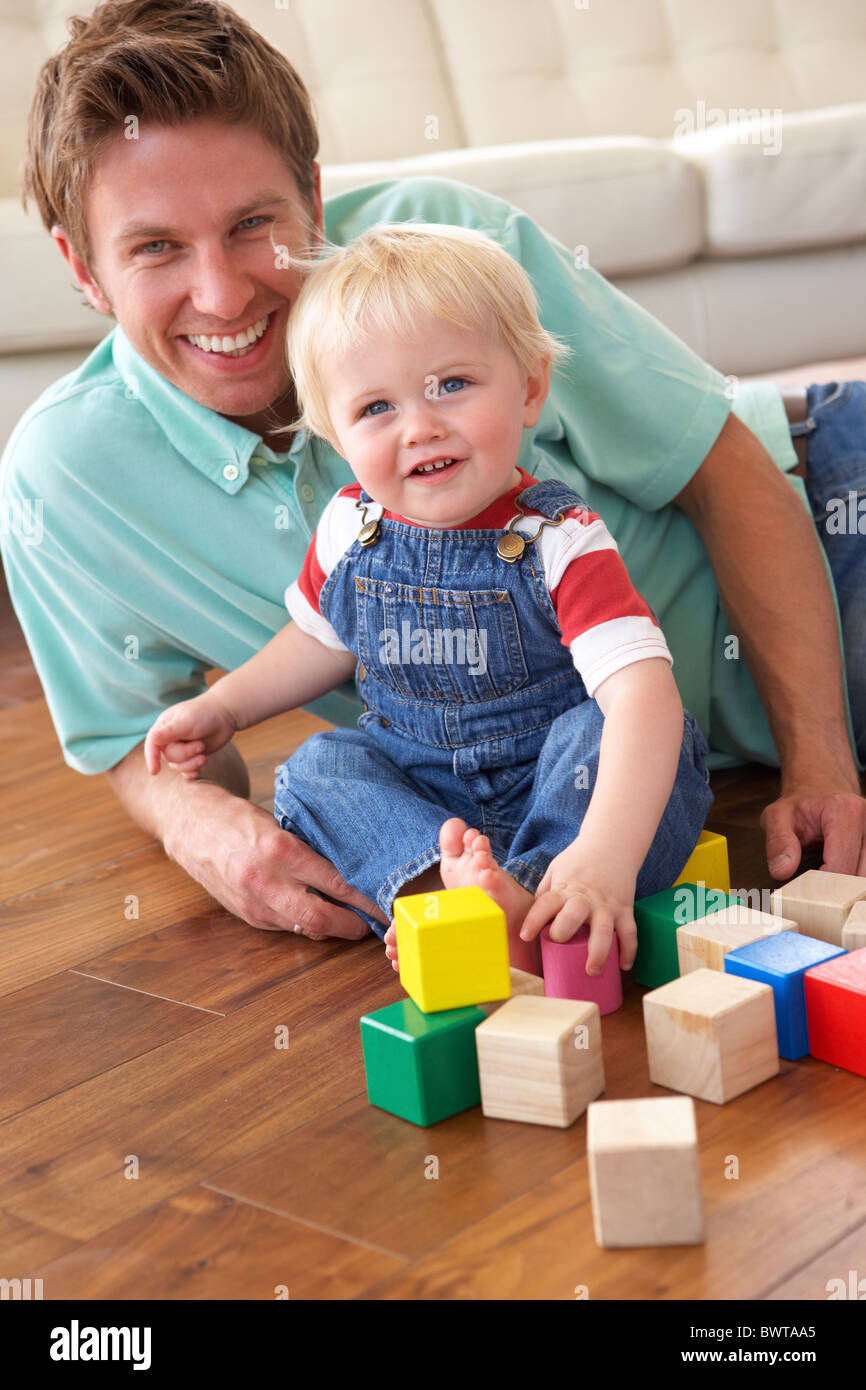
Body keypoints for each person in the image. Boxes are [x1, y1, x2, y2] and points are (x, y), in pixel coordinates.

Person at [2, 0, 865, 948]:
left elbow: (723, 464)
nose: (223, 294)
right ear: (81, 268)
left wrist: (819, 761)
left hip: (826, 517)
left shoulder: (454, 257)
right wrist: (190, 813)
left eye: (254, 224)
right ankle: (478, 907)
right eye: (156, 246)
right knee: (319, 772)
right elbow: (142, 733)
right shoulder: (62, 480)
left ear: (314, 200)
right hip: (541, 791)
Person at [143, 222, 715, 975]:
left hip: (552, 779)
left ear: (531, 387)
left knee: (620, 738)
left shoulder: (558, 539)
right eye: (376, 408)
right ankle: (435, 894)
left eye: (452, 385)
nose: (420, 425)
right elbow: (317, 641)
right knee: (317, 768)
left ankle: (548, 894)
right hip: (422, 786)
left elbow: (644, 694)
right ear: (335, 434)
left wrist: (604, 854)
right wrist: (225, 709)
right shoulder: (351, 526)